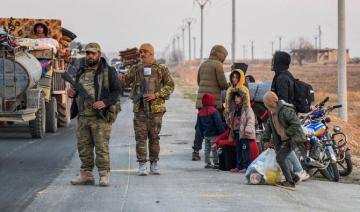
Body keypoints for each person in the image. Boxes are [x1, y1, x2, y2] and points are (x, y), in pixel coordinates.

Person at [68, 43, 121, 186]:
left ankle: (104, 175)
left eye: (93, 53)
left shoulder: (108, 71)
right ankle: (86, 175)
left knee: (101, 147)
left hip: (100, 117)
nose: (90, 56)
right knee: (83, 148)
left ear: (99, 54)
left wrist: (104, 103)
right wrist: (72, 94)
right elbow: (77, 91)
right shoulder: (81, 71)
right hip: (83, 117)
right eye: (88, 53)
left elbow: (116, 92)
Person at [120, 43, 174, 176]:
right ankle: (142, 164)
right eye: (141, 52)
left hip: (156, 109)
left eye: (145, 52)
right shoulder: (136, 68)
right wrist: (120, 78)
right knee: (140, 137)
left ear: (151, 53)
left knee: (154, 137)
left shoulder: (161, 68)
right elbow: (125, 82)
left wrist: (156, 95)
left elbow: (170, 85)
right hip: (140, 109)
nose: (142, 54)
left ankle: (154, 164)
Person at [271, 51, 310, 182]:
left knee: (284, 146)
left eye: (274, 60)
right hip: (287, 115)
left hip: (285, 117)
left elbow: (283, 100)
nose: (272, 62)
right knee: (284, 147)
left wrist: (279, 117)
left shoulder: (282, 78)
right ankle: (295, 172)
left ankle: (299, 171)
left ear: (279, 62)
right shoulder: (285, 75)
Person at [262, 91, 306, 191]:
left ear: (269, 102)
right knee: (281, 157)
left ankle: (290, 182)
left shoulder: (285, 110)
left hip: (292, 138)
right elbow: (269, 127)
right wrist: (265, 139)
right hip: (282, 139)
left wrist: (287, 133)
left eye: (265, 103)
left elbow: (296, 124)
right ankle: (294, 178)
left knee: (280, 158)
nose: (264, 105)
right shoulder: (272, 113)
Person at [192, 45, 229, 161]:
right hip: (213, 103)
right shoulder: (218, 65)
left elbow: (199, 82)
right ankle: (218, 150)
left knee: (200, 127)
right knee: (217, 126)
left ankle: (196, 151)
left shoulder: (203, 64)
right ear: (221, 55)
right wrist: (230, 87)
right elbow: (223, 84)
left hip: (201, 102)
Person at [227, 89, 257, 173]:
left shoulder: (247, 109)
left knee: (245, 150)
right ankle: (239, 166)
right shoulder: (234, 109)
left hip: (244, 134)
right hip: (236, 133)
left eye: (238, 97)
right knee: (238, 150)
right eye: (235, 97)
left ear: (242, 98)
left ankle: (246, 166)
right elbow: (231, 121)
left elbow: (251, 120)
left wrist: (248, 129)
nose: (236, 99)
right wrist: (228, 119)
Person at [195, 93, 225, 168]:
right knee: (214, 148)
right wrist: (222, 133)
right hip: (214, 134)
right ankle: (216, 162)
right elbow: (219, 123)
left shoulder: (200, 113)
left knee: (207, 149)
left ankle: (207, 163)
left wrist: (202, 134)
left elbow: (199, 125)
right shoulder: (214, 111)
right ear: (212, 101)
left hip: (206, 134)